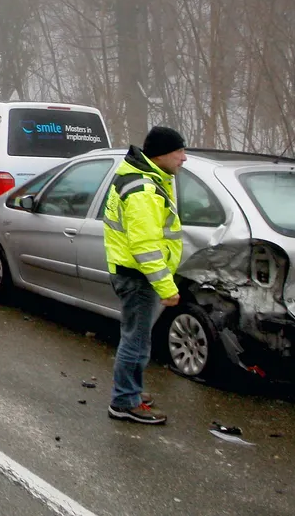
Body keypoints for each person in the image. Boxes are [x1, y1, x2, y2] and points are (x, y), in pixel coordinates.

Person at [103, 125, 186, 425]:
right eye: (179, 151)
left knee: (136, 338)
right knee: (136, 342)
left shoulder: (140, 177)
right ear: (162, 154)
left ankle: (130, 391)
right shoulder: (143, 190)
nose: (184, 158)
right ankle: (125, 401)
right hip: (139, 277)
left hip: (132, 273)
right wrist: (166, 286)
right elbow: (145, 246)